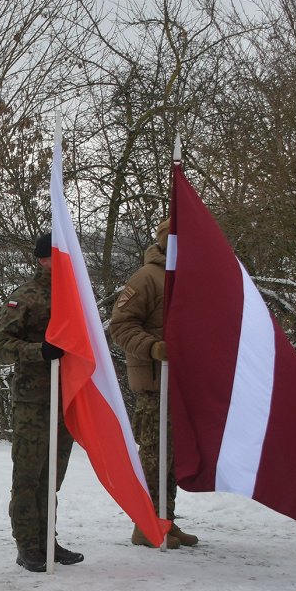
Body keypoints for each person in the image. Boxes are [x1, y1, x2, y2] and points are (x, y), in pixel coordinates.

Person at [0, 233, 85, 572]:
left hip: (66, 396)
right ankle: (28, 544)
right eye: (59, 256)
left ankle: (48, 540)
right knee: (29, 474)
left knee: (53, 475)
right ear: (44, 259)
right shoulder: (26, 296)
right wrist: (38, 351)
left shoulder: (75, 297)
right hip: (34, 400)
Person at [109, 219, 198, 549]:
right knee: (154, 456)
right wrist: (153, 347)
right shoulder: (146, 278)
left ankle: (165, 521)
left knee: (171, 458)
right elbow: (121, 326)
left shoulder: (189, 278)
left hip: (181, 386)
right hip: (153, 385)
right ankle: (145, 525)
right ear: (164, 243)